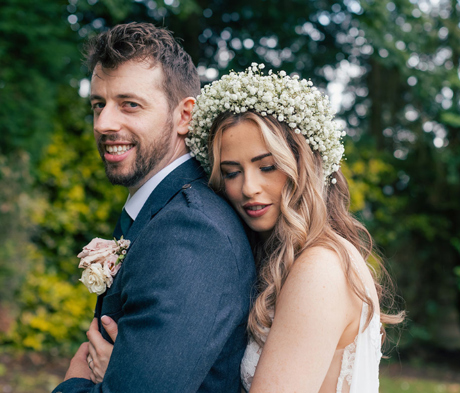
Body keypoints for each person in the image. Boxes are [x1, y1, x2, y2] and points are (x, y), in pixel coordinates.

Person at [93, 64, 404, 392]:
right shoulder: (283, 260)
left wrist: (131, 375)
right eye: (231, 172)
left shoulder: (321, 269)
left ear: (303, 164)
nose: (248, 188)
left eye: (267, 166)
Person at [52, 23, 255, 393]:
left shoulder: (192, 231)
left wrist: (74, 383)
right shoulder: (158, 208)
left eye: (129, 104)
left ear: (185, 116)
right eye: (99, 104)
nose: (103, 123)